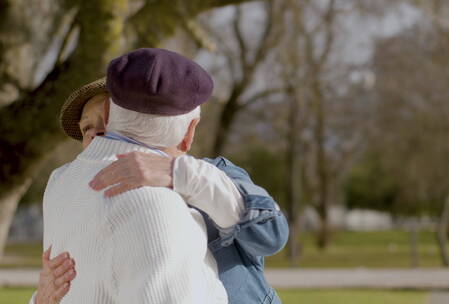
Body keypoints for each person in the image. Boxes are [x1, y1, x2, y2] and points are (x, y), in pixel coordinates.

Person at [33, 48, 288, 304]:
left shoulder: (212, 173)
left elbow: (272, 234)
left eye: (104, 124)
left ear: (114, 116)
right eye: (87, 127)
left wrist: (181, 174)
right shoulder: (70, 189)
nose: (97, 134)